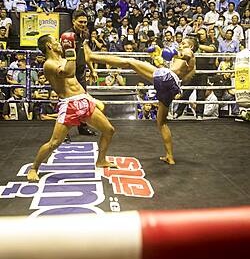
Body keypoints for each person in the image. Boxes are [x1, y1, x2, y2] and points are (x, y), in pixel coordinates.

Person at [83, 37, 198, 165]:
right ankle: (169, 156)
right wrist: (158, 59)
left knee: (130, 62)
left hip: (167, 79)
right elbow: (176, 73)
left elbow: (186, 55)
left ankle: (92, 56)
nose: (181, 45)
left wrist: (177, 53)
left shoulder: (189, 53)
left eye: (183, 43)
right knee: (162, 123)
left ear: (191, 46)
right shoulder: (191, 66)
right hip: (172, 86)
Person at [27, 33, 117, 182]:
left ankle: (101, 160)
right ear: (49, 46)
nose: (58, 43)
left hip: (83, 99)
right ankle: (34, 168)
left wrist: (90, 98)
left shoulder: (64, 59)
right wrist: (70, 52)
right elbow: (68, 72)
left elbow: (74, 79)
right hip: (69, 104)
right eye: (55, 41)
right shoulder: (49, 64)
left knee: (109, 130)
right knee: (54, 143)